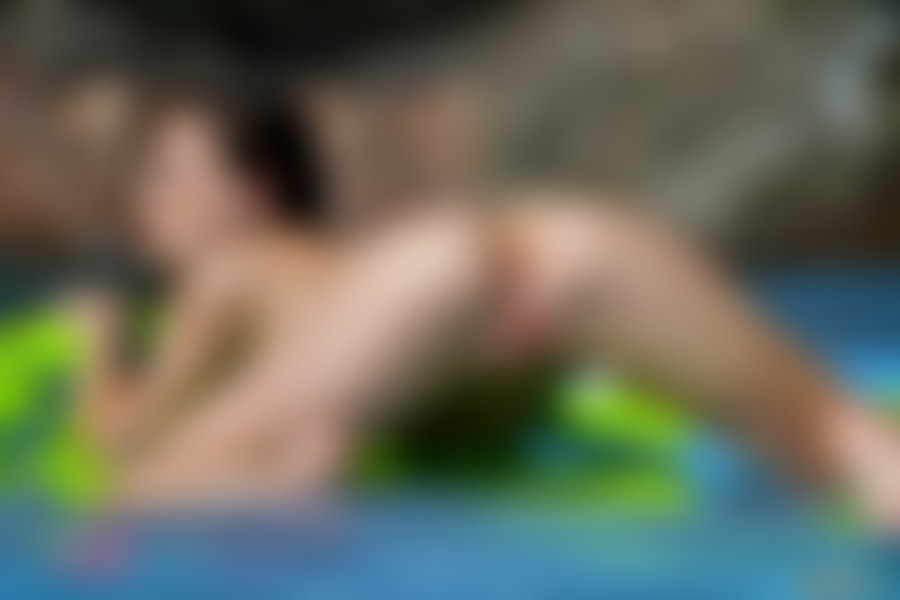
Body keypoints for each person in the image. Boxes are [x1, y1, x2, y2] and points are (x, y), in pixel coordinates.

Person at [70, 74, 900, 526]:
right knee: (837, 434)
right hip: (547, 251)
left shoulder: (232, 270)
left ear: (253, 192)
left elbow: (126, 441)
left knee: (135, 497)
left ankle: (284, 473)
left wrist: (98, 350)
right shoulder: (325, 277)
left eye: (163, 176)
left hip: (433, 289)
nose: (144, 204)